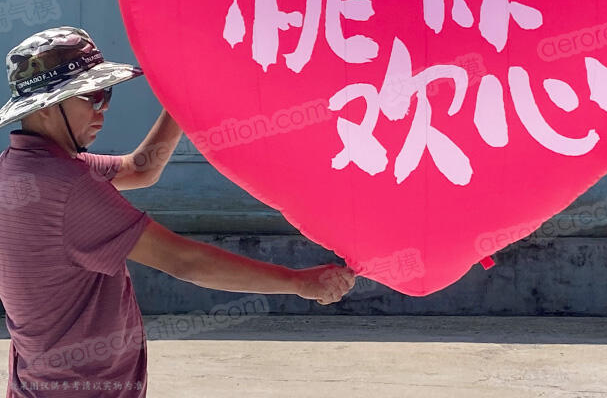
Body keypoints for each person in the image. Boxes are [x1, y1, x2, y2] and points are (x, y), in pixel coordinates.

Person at [0, 26, 355, 397]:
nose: (103, 109)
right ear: (45, 107)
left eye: (106, 95)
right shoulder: (69, 187)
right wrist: (298, 282)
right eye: (92, 96)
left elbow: (140, 169)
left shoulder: (19, 170)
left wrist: (182, 100)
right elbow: (185, 261)